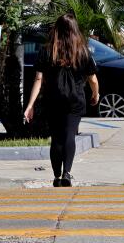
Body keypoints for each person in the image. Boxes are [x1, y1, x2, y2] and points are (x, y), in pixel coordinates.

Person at [23, 13, 100, 187]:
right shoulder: (82, 50)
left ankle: (57, 175)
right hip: (75, 99)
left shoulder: (47, 50)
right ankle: (67, 173)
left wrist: (30, 105)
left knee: (56, 137)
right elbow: (92, 79)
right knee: (69, 134)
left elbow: (38, 79)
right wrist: (95, 94)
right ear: (74, 30)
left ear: (56, 29)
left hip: (53, 99)